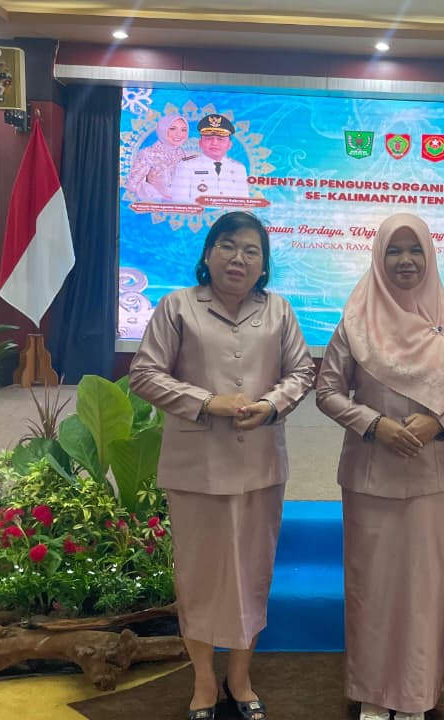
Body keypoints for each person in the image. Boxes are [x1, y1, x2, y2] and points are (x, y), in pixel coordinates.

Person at [129, 211, 315, 720]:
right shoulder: (177, 306)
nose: (239, 258)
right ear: (208, 254)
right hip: (197, 466)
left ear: (264, 265)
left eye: (252, 250)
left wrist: (272, 404)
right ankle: (204, 681)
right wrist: (206, 402)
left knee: (252, 574)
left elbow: (302, 372)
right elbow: (144, 373)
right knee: (199, 576)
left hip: (260, 463)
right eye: (228, 246)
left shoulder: (279, 311)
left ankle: (240, 677)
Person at [315, 213, 444, 720]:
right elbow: (327, 391)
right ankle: (371, 691)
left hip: (432, 475)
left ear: (430, 256)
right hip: (370, 473)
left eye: (415, 250)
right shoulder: (355, 323)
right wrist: (373, 424)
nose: (406, 260)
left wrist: (439, 423)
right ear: (378, 256)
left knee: (424, 589)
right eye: (394, 250)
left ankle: (414, 695)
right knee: (371, 587)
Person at [172, 113, 251, 203]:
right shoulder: (186, 166)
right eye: (209, 139)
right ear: (200, 143)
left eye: (220, 139)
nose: (214, 143)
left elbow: (244, 203)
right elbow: (179, 202)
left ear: (229, 145)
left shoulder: (238, 168)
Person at [124, 113, 195, 202]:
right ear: (163, 129)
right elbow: (133, 185)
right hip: (156, 207)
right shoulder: (148, 154)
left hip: (185, 207)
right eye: (172, 129)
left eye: (183, 130)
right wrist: (159, 196)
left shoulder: (188, 156)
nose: (179, 134)